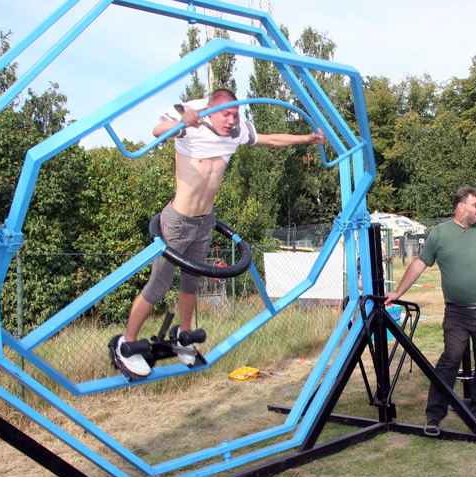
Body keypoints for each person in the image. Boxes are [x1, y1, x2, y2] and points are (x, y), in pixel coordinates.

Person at [111, 88, 325, 378]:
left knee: (191, 283)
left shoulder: (235, 133)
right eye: (226, 114)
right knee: (158, 284)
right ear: (211, 110)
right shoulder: (191, 126)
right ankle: (127, 343)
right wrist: (183, 121)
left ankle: (183, 336)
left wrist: (308, 138)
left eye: (235, 114)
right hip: (178, 220)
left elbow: (272, 140)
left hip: (205, 222)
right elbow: (157, 130)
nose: (231, 120)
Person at [385, 186, 476, 436]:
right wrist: (398, 293)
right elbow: (419, 263)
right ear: (461, 207)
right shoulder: (440, 233)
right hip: (458, 314)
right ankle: (434, 416)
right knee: (449, 361)